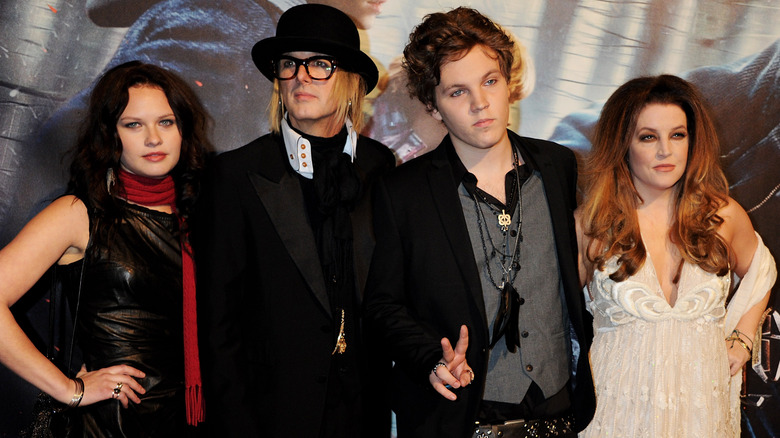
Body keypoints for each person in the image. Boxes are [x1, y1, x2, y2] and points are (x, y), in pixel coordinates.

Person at [364, 7, 596, 437]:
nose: (480, 103)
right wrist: (431, 358)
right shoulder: (403, 193)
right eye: (457, 92)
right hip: (460, 422)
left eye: (490, 81)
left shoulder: (559, 166)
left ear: (509, 82)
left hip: (560, 415)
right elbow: (382, 305)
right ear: (433, 107)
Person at [194, 4, 395, 438]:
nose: (301, 76)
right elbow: (218, 327)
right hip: (271, 416)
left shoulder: (380, 167)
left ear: (350, 81)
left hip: (362, 412)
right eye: (290, 64)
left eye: (319, 64)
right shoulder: (235, 175)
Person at [0, 61, 211, 435]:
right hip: (112, 425)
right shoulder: (78, 213)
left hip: (198, 419)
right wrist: (69, 389)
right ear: (110, 135)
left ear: (183, 129)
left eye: (166, 122)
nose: (153, 138)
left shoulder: (208, 214)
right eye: (133, 124)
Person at [575, 74, 776, 437]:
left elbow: (762, 270)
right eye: (648, 136)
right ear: (622, 144)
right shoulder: (591, 225)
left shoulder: (724, 217)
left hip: (702, 412)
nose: (666, 150)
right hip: (614, 413)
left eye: (678, 135)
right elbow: (550, 318)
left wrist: (744, 338)